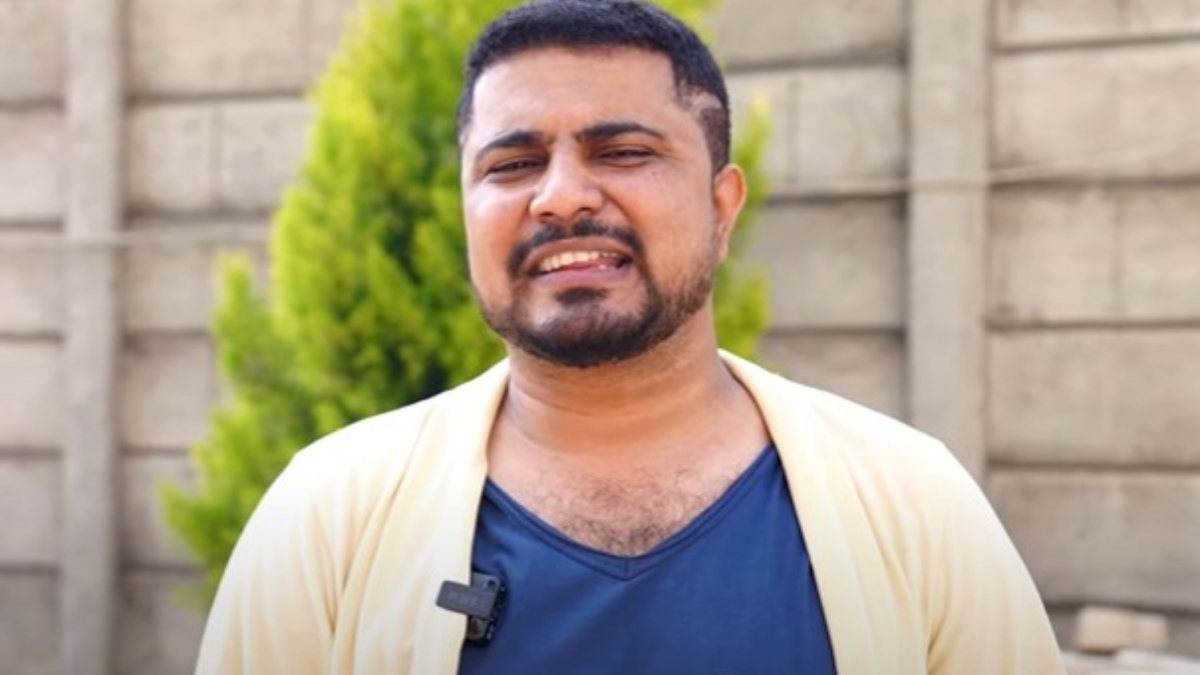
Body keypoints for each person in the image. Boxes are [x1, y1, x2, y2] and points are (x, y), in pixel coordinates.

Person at [195, 0, 1067, 673]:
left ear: (722, 208)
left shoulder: (912, 500)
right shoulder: (329, 512)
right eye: (512, 164)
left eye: (621, 151)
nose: (560, 196)